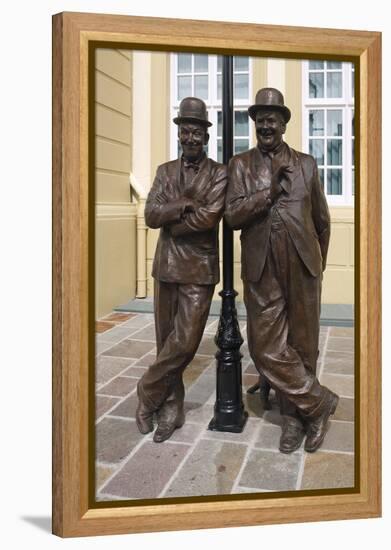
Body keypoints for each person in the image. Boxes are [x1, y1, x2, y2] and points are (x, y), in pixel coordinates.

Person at [225, 88, 339, 453]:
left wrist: (316, 263)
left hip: (303, 265)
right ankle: (320, 403)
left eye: (272, 118)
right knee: (265, 346)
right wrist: (269, 193)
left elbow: (322, 220)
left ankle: (295, 418)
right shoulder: (241, 165)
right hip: (262, 267)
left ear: (285, 123)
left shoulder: (307, 164)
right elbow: (232, 216)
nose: (265, 125)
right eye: (260, 119)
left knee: (303, 344)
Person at [136, 97, 227, 443]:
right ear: (179, 134)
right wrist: (181, 205)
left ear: (206, 136)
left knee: (186, 342)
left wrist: (171, 219)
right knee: (166, 343)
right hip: (166, 268)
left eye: (196, 132)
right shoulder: (164, 171)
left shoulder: (220, 173)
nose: (189, 138)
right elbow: (150, 215)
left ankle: (147, 389)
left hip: (199, 269)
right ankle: (170, 406)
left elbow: (208, 219)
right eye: (184, 131)